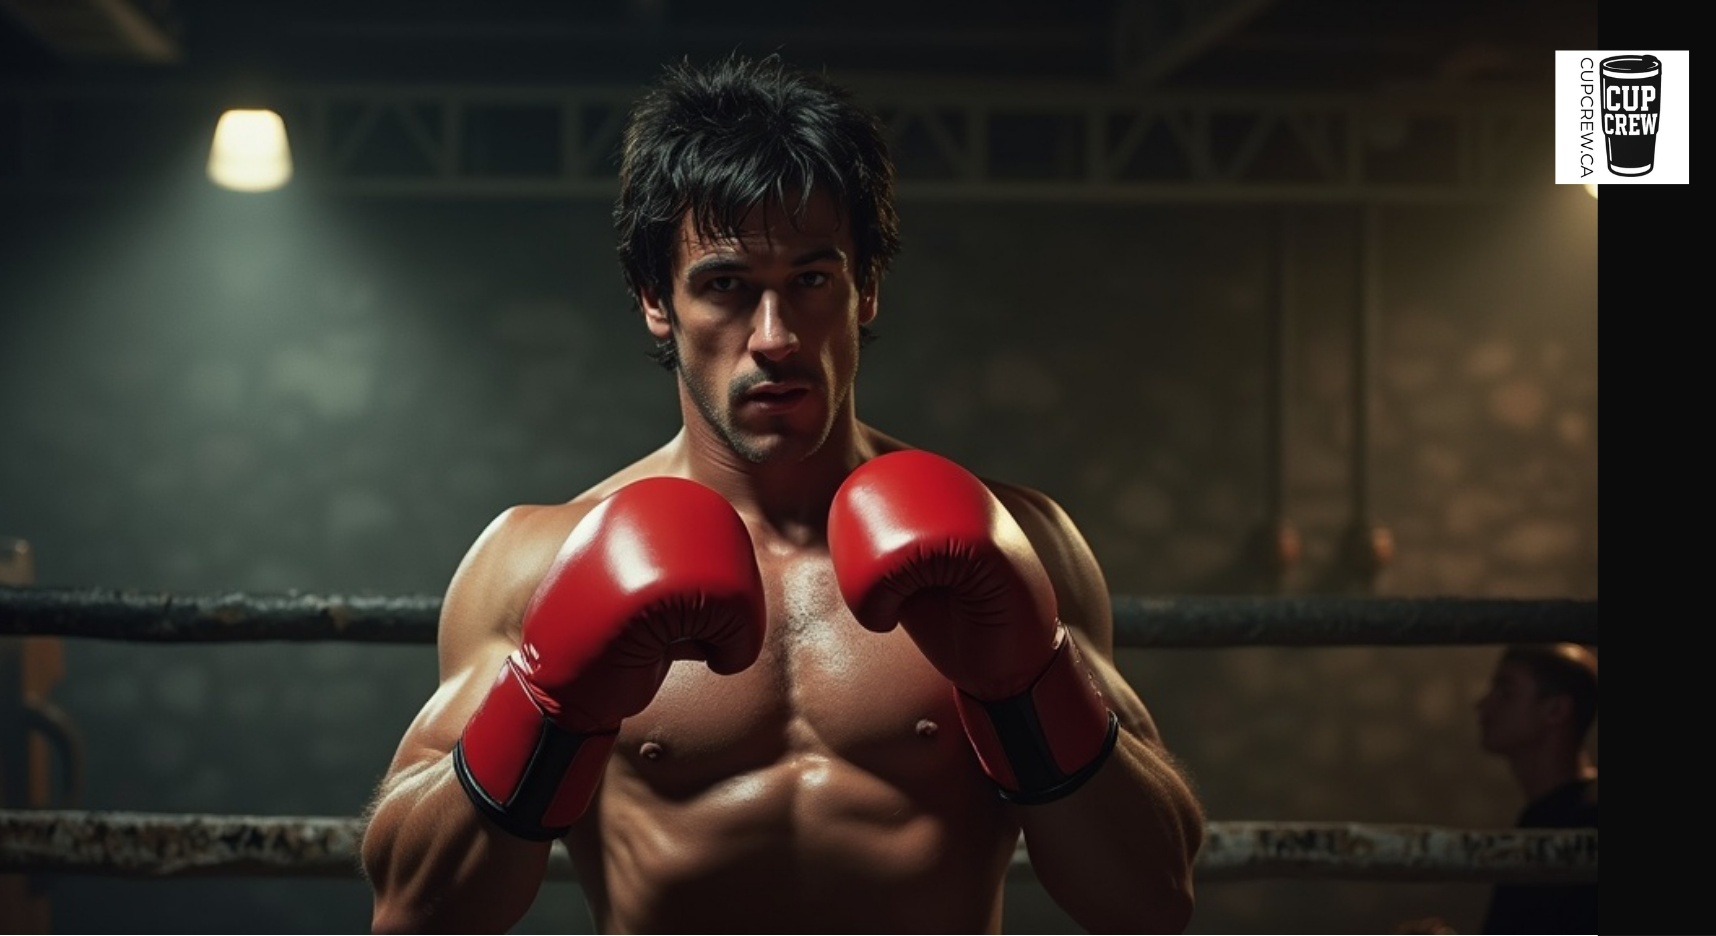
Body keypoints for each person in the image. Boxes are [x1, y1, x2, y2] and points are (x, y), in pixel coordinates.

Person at [358, 53, 1205, 934]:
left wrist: (1027, 682)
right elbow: (416, 910)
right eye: (725, 285)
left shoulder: (1016, 540)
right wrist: (548, 702)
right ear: (657, 299)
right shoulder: (536, 561)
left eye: (811, 280)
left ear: (864, 289)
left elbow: (1150, 898)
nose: (774, 337)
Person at [1475, 642, 1598, 934]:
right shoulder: (1545, 816)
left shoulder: (1588, 817)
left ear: (1555, 710)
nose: (1481, 705)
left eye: (1505, 692)